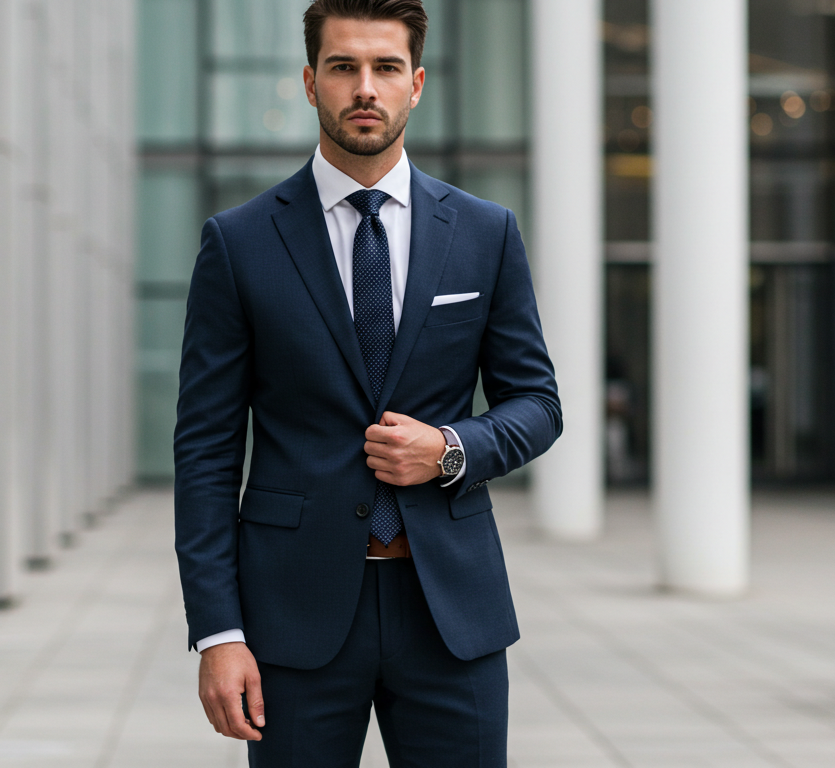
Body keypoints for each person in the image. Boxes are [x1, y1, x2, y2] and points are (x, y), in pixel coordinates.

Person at [174, 0, 560, 764]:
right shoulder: (240, 243)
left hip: (451, 610)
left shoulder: (486, 233)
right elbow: (207, 453)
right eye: (344, 67)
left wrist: (450, 448)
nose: (365, 88)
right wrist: (219, 633)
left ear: (416, 84)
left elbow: (538, 405)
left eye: (385, 68)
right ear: (312, 80)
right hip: (293, 615)